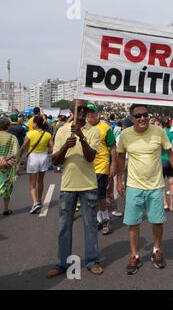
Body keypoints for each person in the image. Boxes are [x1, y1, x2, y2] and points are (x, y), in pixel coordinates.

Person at [117, 105, 173, 275]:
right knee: (133, 223)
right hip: (134, 186)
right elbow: (121, 158)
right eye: (138, 116)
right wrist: (118, 180)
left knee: (157, 221)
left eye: (145, 115)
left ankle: (156, 250)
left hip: (155, 186)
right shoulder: (125, 135)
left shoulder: (158, 132)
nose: (142, 118)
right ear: (132, 118)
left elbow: (171, 154)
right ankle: (134, 255)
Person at [47, 100, 103, 278]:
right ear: (72, 111)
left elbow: (90, 157)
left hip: (88, 185)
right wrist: (65, 146)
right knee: (64, 226)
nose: (82, 113)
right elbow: (55, 161)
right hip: (68, 186)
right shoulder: (62, 130)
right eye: (79, 110)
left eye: (85, 110)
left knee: (90, 225)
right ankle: (62, 263)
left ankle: (92, 261)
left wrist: (81, 137)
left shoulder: (94, 131)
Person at [86, 102, 117, 235]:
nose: (90, 114)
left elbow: (113, 147)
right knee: (91, 196)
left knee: (100, 195)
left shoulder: (105, 127)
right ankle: (99, 219)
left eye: (92, 112)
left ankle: (105, 219)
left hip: (101, 166)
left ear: (97, 113)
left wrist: (114, 164)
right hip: (86, 167)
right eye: (87, 112)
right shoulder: (83, 128)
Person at [19, 115, 53, 214]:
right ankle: (39, 200)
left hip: (33, 158)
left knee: (32, 184)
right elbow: (52, 148)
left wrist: (19, 157)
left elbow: (24, 147)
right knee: (40, 181)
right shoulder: (47, 134)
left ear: (34, 123)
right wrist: (47, 151)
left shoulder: (30, 133)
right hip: (44, 157)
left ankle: (34, 203)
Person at [0, 118, 18, 216]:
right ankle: (6, 209)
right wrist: (6, 161)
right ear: (8, 127)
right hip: (7, 168)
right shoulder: (12, 138)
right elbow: (15, 153)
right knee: (6, 189)